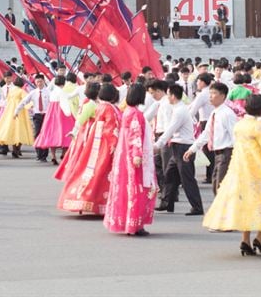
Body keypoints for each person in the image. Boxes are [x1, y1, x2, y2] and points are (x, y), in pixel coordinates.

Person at [201, 93, 261, 256]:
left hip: (239, 170)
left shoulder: (240, 125)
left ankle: (245, 239)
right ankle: (260, 238)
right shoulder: (258, 127)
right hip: (258, 170)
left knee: (245, 204)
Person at [56, 83, 121, 215]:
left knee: (91, 169)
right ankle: (97, 201)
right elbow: (110, 128)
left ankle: (83, 198)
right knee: (101, 172)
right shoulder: (107, 108)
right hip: (105, 143)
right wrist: (115, 143)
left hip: (96, 140)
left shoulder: (100, 106)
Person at [104, 82, 157, 236]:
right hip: (133, 157)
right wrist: (137, 155)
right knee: (137, 188)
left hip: (125, 156)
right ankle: (135, 223)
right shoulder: (135, 113)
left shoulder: (127, 111)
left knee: (127, 188)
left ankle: (129, 222)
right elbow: (135, 136)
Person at [153, 83, 204, 216]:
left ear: (173, 96)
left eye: (168, 94)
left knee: (187, 179)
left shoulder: (180, 111)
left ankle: (197, 207)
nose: (167, 97)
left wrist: (157, 145)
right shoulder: (178, 109)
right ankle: (167, 203)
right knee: (169, 175)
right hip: (177, 147)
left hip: (183, 147)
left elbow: (170, 129)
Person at [186, 81, 236, 192]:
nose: (210, 97)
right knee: (216, 183)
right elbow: (206, 133)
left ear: (222, 96)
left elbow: (234, 135)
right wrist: (192, 149)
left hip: (226, 153)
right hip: (217, 154)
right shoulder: (215, 112)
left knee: (220, 185)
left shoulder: (227, 114)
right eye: (210, 93)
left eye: (213, 93)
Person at [0, 76, 36, 158]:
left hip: (9, 112)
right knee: (20, 130)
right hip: (20, 112)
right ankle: (16, 150)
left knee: (10, 129)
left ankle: (9, 148)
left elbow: (6, 101)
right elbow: (27, 100)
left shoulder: (11, 91)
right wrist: (32, 106)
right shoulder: (21, 91)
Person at [17, 73, 51, 162]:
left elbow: (52, 104)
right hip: (37, 115)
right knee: (37, 134)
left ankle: (44, 155)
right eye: (37, 81)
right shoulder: (33, 93)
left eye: (41, 81)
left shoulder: (49, 92)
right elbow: (24, 102)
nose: (39, 83)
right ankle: (38, 153)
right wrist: (16, 111)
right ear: (35, 82)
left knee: (45, 135)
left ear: (44, 81)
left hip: (46, 116)